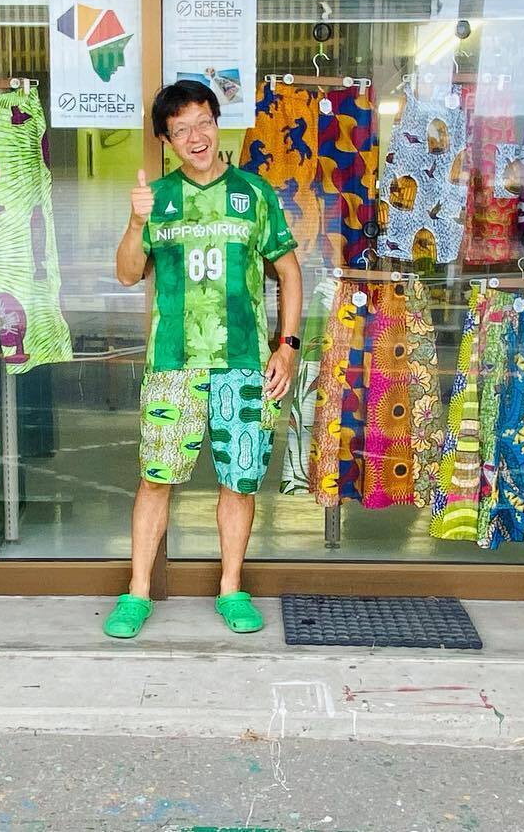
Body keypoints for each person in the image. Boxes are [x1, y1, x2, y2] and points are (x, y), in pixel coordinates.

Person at [104, 79, 302, 639]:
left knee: (240, 482)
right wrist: (136, 223)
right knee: (155, 480)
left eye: (203, 123)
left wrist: (287, 346)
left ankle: (232, 588)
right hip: (173, 364)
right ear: (166, 141)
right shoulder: (158, 198)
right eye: (181, 129)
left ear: (218, 124)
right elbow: (126, 273)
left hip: (244, 364)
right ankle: (137, 593)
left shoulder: (254, 193)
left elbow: (288, 272)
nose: (196, 137)